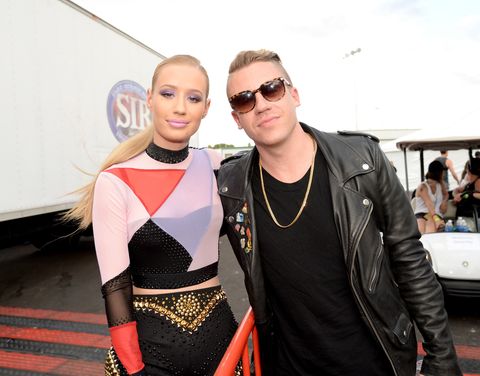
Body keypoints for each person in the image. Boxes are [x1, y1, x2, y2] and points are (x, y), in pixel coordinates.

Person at [217, 49, 461, 376]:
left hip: (375, 360)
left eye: (271, 89)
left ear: (293, 94)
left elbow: (409, 257)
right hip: (289, 367)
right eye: (245, 99)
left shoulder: (362, 160)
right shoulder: (231, 186)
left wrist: (442, 358)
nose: (261, 104)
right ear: (237, 118)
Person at [64, 55, 239, 375]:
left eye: (194, 97)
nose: (180, 107)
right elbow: (115, 288)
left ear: (206, 107)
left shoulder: (218, 166)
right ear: (149, 98)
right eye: (168, 94)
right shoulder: (116, 181)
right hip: (150, 352)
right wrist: (134, 369)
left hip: (223, 342)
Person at [413, 160, 448, 234]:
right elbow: (429, 204)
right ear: (440, 173)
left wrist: (444, 201)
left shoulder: (440, 185)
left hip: (434, 215)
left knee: (430, 222)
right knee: (428, 225)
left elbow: (446, 194)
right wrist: (436, 219)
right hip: (423, 214)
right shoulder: (423, 186)